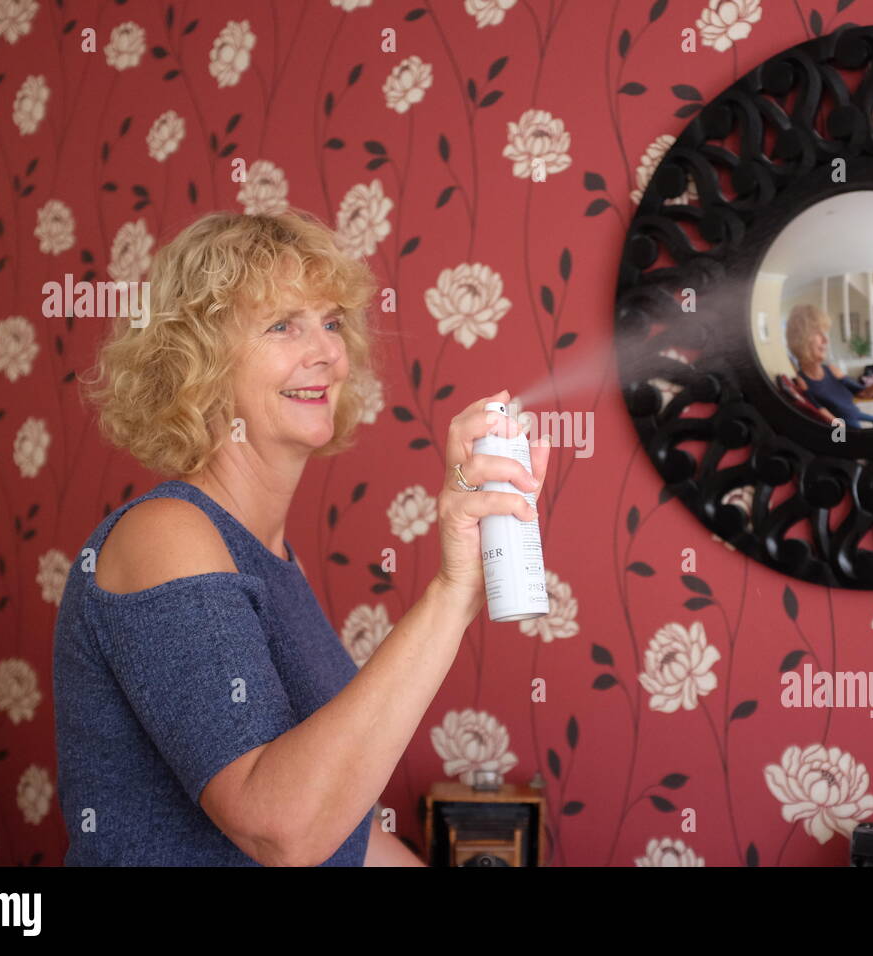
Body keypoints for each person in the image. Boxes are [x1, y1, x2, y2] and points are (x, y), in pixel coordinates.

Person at [54, 209, 550, 866]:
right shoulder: (166, 536)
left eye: (332, 322)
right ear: (197, 359)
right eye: (284, 325)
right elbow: (279, 830)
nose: (327, 353)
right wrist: (453, 591)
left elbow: (340, 830)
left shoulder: (270, 560)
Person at [784, 303, 873, 429]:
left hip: (854, 412)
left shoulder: (833, 370)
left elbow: (865, 393)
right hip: (845, 423)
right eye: (817, 333)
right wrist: (839, 428)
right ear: (801, 339)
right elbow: (818, 409)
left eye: (825, 333)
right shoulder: (801, 381)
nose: (826, 340)